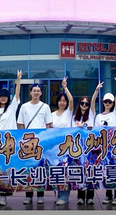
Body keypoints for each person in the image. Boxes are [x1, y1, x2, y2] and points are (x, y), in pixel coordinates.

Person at [0, 70, 22, 206]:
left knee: (5, 168)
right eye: (1, 96)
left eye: (5, 96)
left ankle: (3, 196)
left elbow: (17, 96)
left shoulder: (11, 109)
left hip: (7, 144)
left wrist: (18, 80)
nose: (3, 98)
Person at [17, 83, 53, 205]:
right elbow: (21, 124)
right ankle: (28, 195)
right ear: (30, 92)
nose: (36, 93)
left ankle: (40, 195)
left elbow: (48, 125)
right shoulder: (24, 107)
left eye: (38, 91)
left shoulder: (45, 107)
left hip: (41, 143)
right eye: (34, 90)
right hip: (28, 143)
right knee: (28, 169)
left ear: (41, 93)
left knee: (40, 169)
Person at [73, 82, 101, 205]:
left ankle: (90, 197)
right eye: (82, 103)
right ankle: (80, 196)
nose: (84, 105)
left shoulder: (91, 115)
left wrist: (96, 90)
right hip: (79, 148)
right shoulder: (74, 117)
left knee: (90, 171)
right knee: (80, 171)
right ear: (79, 104)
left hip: (91, 148)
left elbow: (94, 101)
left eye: (86, 103)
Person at [96, 77, 116, 205]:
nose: (107, 103)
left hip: (114, 146)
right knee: (106, 170)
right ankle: (108, 195)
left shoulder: (115, 114)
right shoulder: (98, 116)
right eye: (106, 101)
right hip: (103, 147)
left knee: (115, 169)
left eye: (109, 102)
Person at [52, 77, 74, 206]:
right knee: (57, 171)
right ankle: (60, 195)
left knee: (65, 171)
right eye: (60, 100)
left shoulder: (68, 113)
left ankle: (65, 197)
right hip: (55, 148)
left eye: (64, 101)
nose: (62, 102)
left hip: (66, 147)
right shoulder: (52, 115)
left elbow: (71, 100)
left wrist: (65, 87)